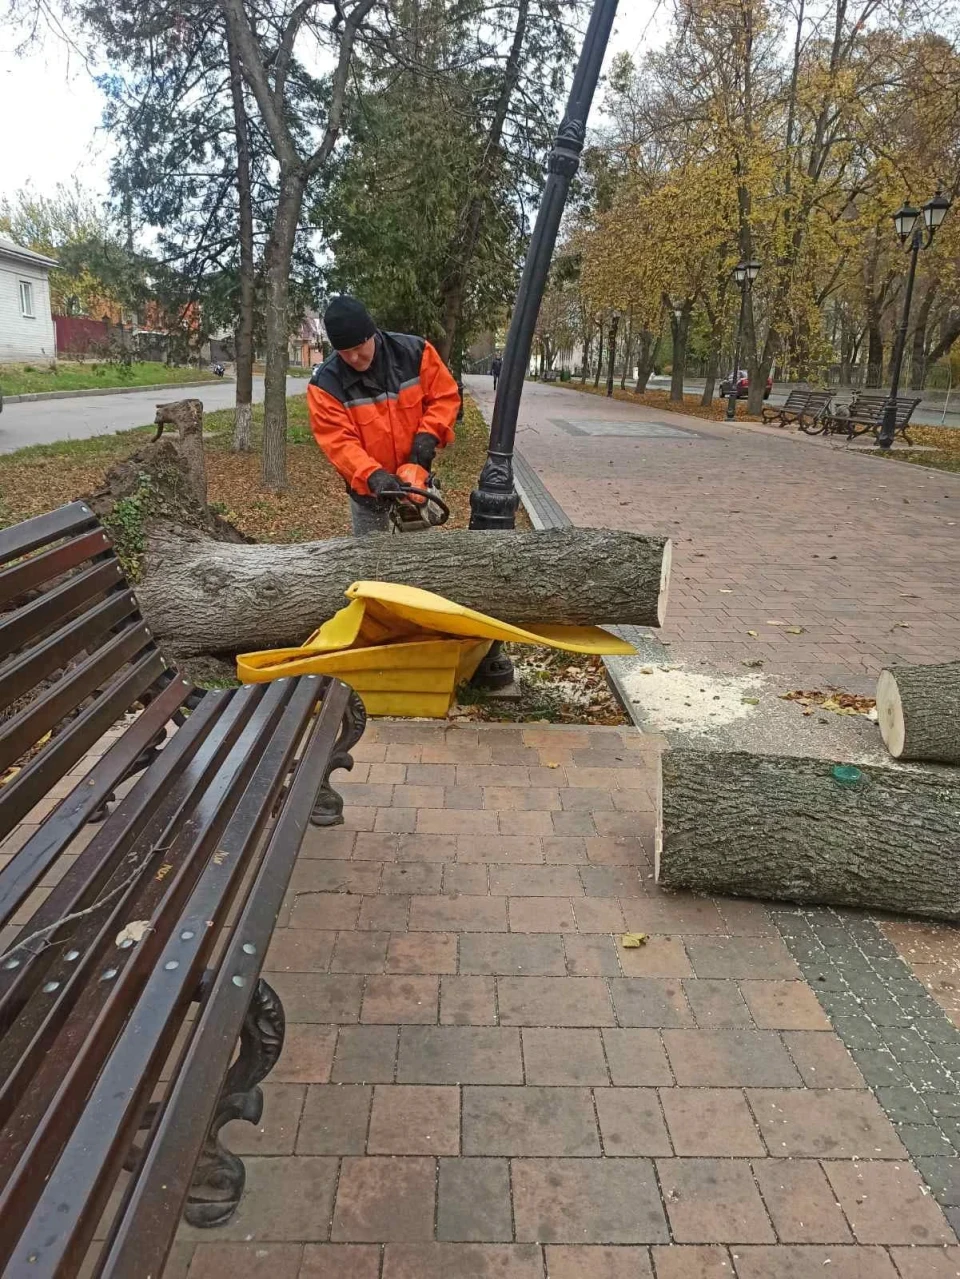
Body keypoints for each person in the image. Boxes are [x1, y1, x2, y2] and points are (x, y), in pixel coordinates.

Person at [308, 296, 460, 536]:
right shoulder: (326, 385)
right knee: (371, 561)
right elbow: (339, 442)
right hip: (369, 495)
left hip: (414, 485)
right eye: (345, 353)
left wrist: (427, 437)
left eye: (358, 348)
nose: (354, 358)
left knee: (422, 558)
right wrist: (372, 476)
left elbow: (444, 396)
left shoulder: (414, 353)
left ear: (371, 333)